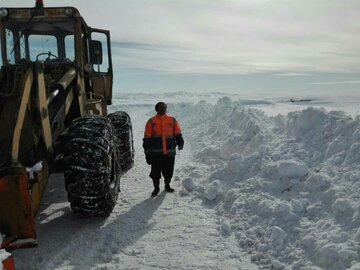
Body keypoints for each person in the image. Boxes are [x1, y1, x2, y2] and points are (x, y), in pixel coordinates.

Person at [143, 102, 184, 196]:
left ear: (166, 109)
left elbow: (178, 133)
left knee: (168, 171)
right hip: (155, 154)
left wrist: (180, 142)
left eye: (164, 107)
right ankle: (156, 188)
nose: (162, 109)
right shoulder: (151, 121)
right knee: (155, 173)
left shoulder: (172, 120)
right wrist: (147, 152)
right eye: (160, 107)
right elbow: (147, 138)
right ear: (156, 109)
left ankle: (167, 185)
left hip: (169, 153)